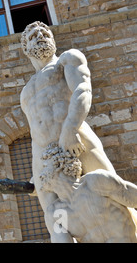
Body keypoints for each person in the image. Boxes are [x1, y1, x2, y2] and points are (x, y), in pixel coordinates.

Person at [19, 21, 117, 241]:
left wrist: (70, 129)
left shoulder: (67, 60)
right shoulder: (25, 93)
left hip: (77, 140)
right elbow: (36, 132)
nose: (41, 35)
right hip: (45, 156)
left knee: (111, 194)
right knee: (56, 219)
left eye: (46, 33)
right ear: (25, 48)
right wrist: (38, 169)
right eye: (34, 34)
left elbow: (82, 90)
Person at [40, 145, 137, 243]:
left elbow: (134, 198)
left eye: (44, 167)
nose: (40, 175)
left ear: (59, 164)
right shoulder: (55, 213)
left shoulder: (95, 181)